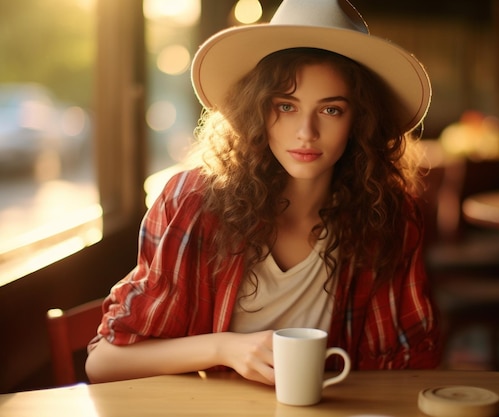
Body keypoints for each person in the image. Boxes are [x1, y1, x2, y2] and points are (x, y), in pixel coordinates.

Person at [86, 0, 441, 385]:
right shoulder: (193, 203)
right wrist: (225, 348)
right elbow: (103, 362)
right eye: (285, 106)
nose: (306, 131)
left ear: (361, 121)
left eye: (331, 110)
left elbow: (407, 366)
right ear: (255, 112)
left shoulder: (388, 217)